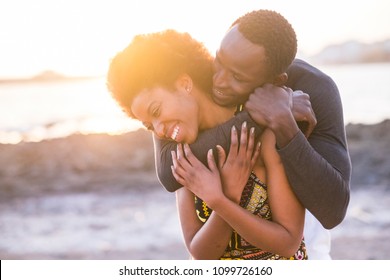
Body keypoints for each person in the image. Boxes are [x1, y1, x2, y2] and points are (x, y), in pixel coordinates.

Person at [152, 10, 352, 259]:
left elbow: (333, 210)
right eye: (219, 59)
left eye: (237, 77)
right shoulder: (198, 75)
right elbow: (167, 171)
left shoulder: (313, 87)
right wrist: (256, 116)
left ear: (277, 80)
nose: (218, 81)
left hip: (305, 254)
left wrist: (284, 123)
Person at [107, 29, 308, 260]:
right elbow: (199, 253)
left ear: (184, 83)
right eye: (150, 125)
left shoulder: (265, 134)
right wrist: (227, 196)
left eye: (156, 111)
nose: (160, 129)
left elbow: (289, 242)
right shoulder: (184, 151)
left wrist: (220, 201)